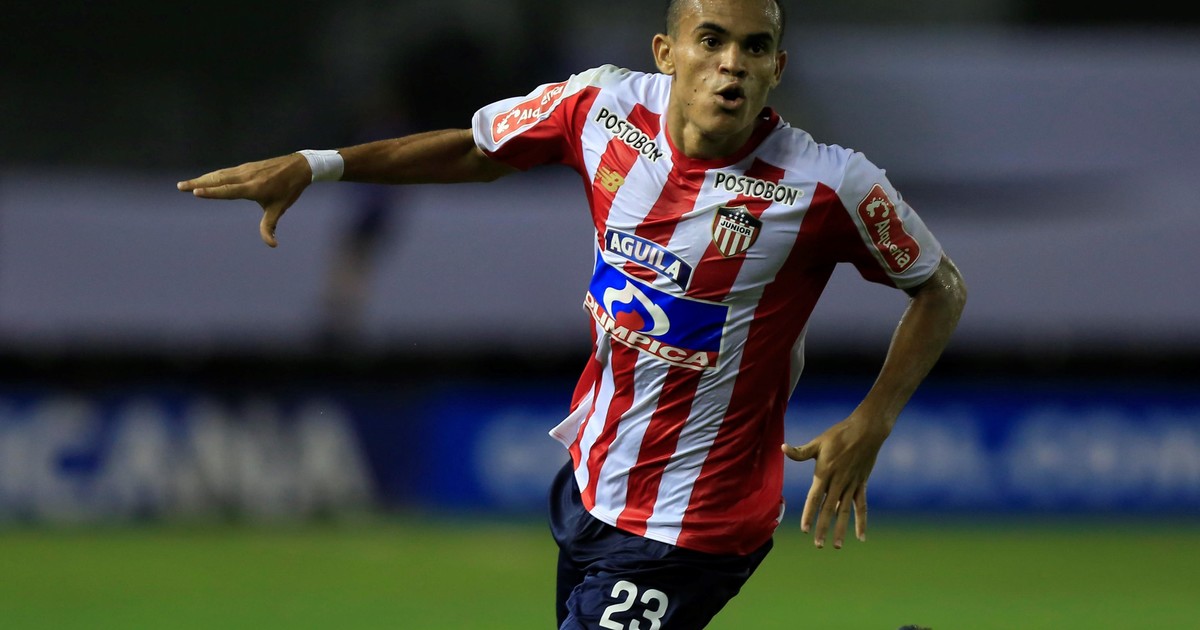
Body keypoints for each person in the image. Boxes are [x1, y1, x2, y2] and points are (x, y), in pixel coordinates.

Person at [177, 0, 967, 626]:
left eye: (755, 48)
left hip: (696, 520)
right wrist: (318, 165)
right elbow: (477, 150)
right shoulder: (601, 107)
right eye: (712, 40)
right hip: (592, 483)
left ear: (776, 68)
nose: (732, 63)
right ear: (667, 52)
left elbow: (941, 288)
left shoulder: (828, 184)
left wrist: (873, 421)